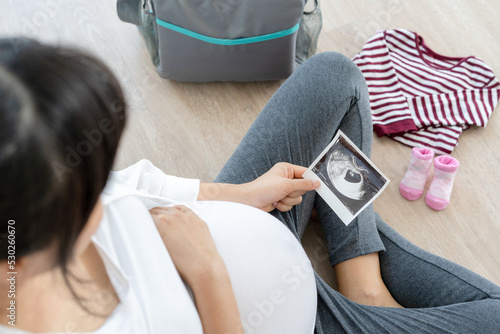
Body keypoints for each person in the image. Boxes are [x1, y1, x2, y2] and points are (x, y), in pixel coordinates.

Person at [0, 38, 499, 334]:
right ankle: (344, 226)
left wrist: (242, 194)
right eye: (91, 188)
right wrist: (209, 275)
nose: (104, 191)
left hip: (230, 223)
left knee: (335, 76)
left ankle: (359, 272)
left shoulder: (23, 205)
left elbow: (135, 184)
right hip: (281, 316)